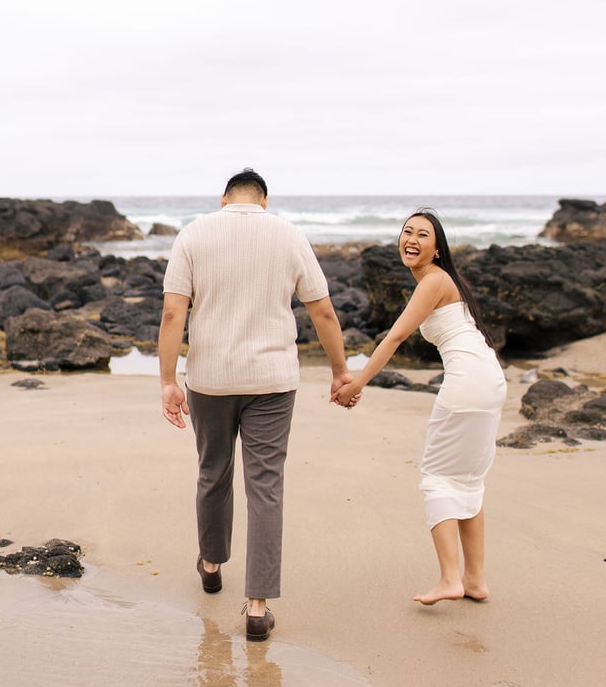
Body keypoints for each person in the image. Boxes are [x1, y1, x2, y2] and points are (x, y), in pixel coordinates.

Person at [158, 168, 353, 641]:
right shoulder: (288, 235)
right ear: (264, 202)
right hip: (272, 380)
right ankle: (258, 607)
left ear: (224, 199)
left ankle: (209, 563)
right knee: (264, 486)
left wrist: (167, 380)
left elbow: (172, 312)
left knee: (213, 472)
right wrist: (339, 371)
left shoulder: (193, 234)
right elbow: (322, 310)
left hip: (210, 379)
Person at [334, 209, 506, 605]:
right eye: (406, 232)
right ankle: (475, 581)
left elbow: (394, 337)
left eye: (422, 235)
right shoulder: (445, 281)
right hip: (489, 381)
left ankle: (450, 579)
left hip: (468, 384)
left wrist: (357, 382)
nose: (411, 239)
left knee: (436, 477)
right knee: (467, 480)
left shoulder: (433, 281)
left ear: (437, 248)